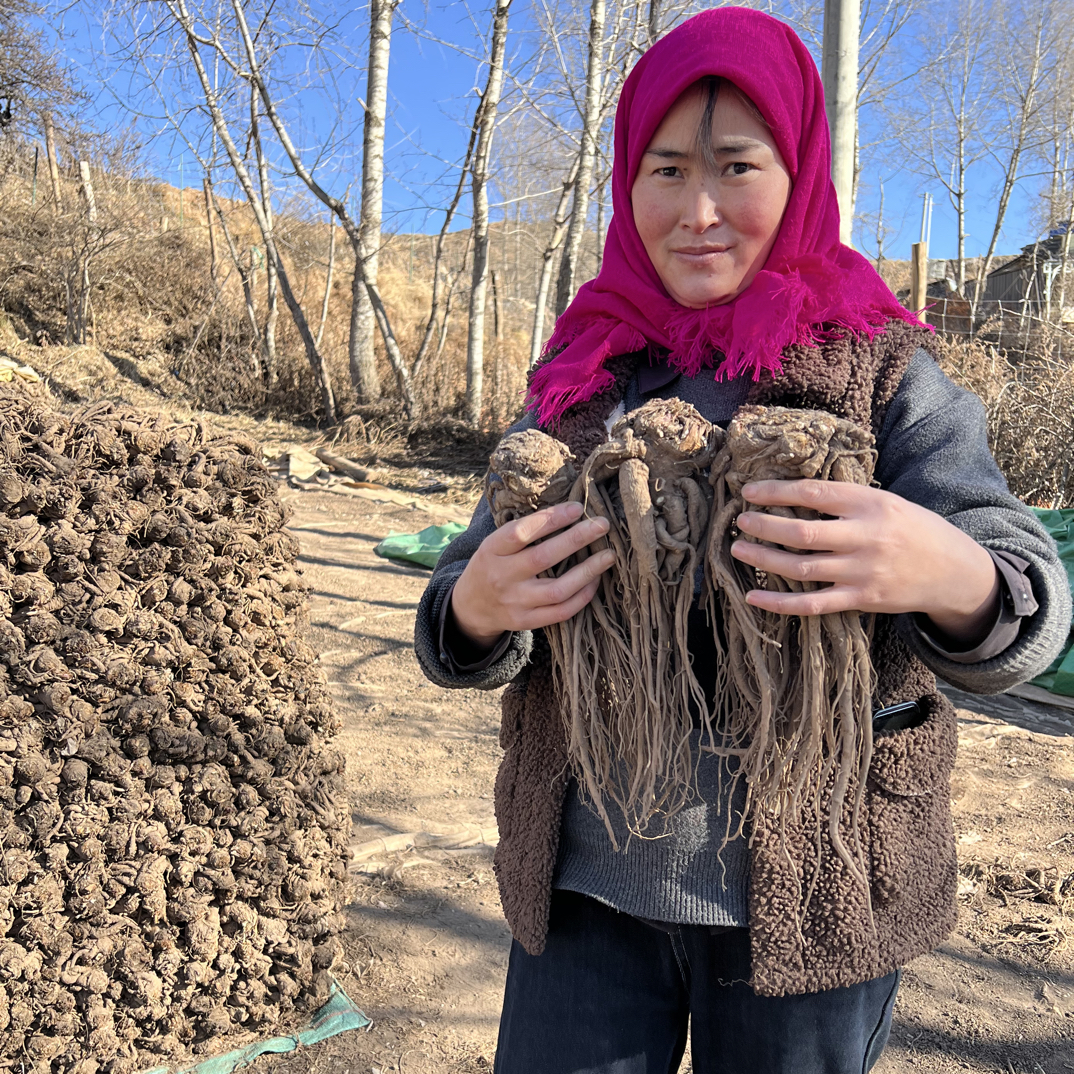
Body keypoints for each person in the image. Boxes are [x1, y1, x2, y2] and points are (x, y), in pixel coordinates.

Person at [414, 9, 1070, 1073]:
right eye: (665, 170)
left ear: (800, 167)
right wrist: (475, 606)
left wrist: (945, 571)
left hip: (814, 892)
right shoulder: (582, 382)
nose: (699, 210)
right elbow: (460, 601)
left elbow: (1026, 590)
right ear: (627, 182)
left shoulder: (885, 376)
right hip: (588, 889)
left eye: (737, 166)